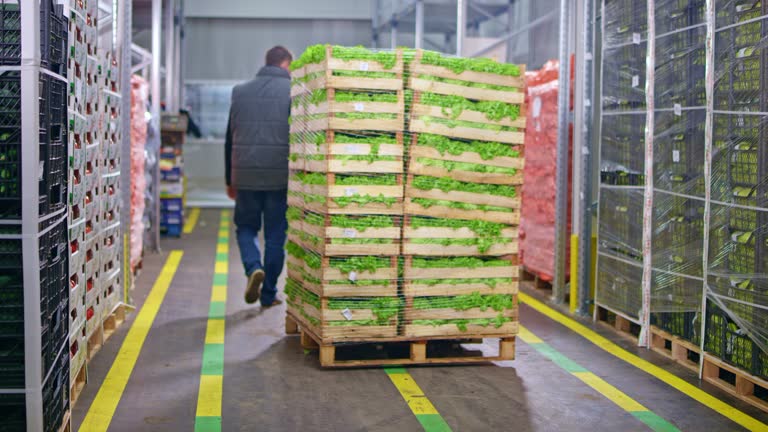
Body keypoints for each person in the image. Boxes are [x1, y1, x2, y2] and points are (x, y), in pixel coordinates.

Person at [224, 46, 293, 307]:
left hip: (245, 174)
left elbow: (229, 138)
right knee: (276, 235)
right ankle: (268, 293)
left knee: (246, 227)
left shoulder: (240, 92)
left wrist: (229, 179)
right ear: (285, 65)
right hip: (280, 177)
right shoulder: (292, 93)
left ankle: (253, 266)